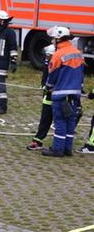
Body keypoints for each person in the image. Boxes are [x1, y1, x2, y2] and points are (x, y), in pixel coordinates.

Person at [40, 26, 84, 158]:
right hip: (75, 93)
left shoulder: (58, 54)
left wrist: (48, 86)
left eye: (53, 38)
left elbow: (52, 74)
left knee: (60, 121)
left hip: (61, 93)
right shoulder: (78, 52)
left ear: (58, 39)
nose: (52, 41)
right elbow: (81, 73)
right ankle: (67, 148)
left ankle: (57, 149)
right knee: (70, 120)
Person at [27, 42, 57, 152]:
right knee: (45, 118)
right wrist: (44, 85)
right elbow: (46, 74)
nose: (47, 58)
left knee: (62, 120)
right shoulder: (48, 61)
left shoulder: (59, 62)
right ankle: (37, 140)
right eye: (47, 56)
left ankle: (61, 144)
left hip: (60, 95)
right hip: (48, 95)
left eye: (49, 56)